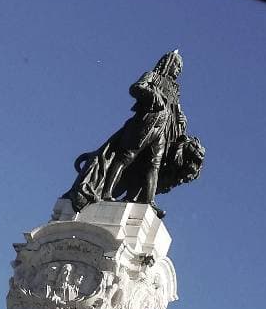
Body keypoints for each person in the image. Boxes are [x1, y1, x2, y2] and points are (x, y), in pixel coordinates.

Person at [62, 51, 203, 217]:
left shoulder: (175, 90)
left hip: (162, 130)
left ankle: (148, 200)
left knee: (153, 165)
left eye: (180, 68)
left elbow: (175, 112)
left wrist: (181, 119)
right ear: (168, 63)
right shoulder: (153, 76)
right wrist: (152, 94)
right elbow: (136, 88)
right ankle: (107, 192)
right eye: (176, 65)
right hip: (147, 120)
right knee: (126, 156)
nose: (178, 70)